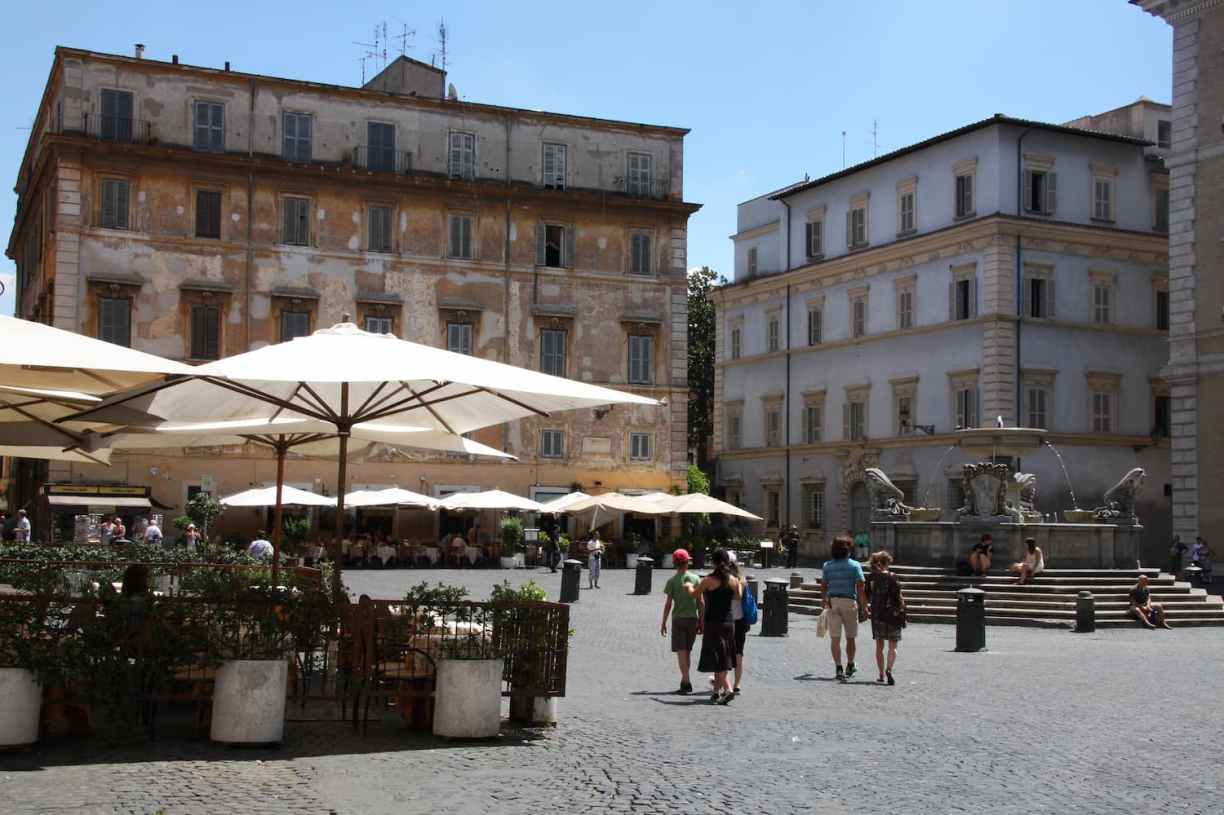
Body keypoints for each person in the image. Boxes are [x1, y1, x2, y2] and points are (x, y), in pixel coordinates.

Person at [685, 548, 741, 704]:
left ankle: (728, 690)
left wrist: (688, 585)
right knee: (723, 657)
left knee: (718, 658)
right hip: (729, 622)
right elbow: (738, 596)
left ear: (713, 562)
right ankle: (716, 692)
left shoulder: (709, 579)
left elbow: (694, 594)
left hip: (713, 623)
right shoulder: (733, 580)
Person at [820, 535, 868, 682]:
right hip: (849, 602)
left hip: (833, 602)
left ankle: (838, 667)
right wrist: (864, 606)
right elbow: (860, 587)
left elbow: (823, 585)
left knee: (835, 638)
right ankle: (850, 665)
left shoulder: (827, 565)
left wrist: (824, 600)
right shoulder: (854, 565)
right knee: (850, 637)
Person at [660, 548, 702, 694]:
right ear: (687, 562)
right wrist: (701, 620)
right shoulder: (696, 579)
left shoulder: (672, 581)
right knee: (687, 652)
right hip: (692, 619)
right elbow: (701, 602)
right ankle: (686, 679)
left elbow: (668, 604)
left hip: (678, 619)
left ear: (675, 563)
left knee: (681, 652)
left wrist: (663, 622)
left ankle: (686, 681)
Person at [866, 551, 906, 685]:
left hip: (877, 615)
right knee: (893, 646)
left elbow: (867, 595)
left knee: (879, 646)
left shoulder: (871, 577)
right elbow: (899, 596)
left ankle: (881, 674)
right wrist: (902, 608)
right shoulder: (893, 576)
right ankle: (889, 669)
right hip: (892, 614)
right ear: (886, 563)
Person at [728, 552, 749, 695]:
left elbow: (738, 596)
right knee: (738, 652)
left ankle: (726, 683)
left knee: (725, 653)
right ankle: (737, 684)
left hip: (727, 619)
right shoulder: (742, 579)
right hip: (740, 618)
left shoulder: (723, 580)